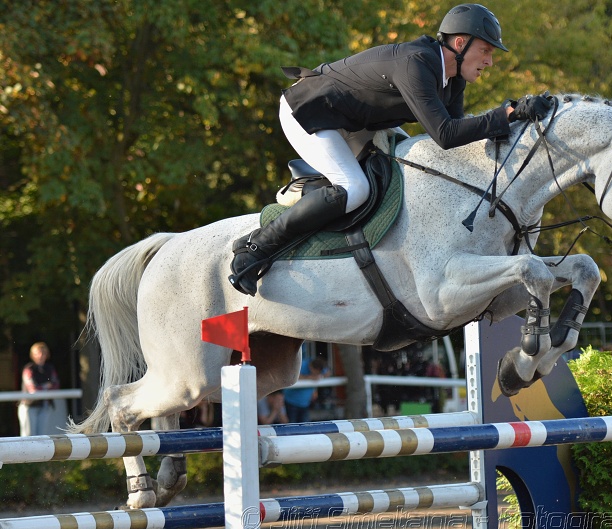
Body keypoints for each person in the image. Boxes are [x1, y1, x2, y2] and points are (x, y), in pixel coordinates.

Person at [229, 3, 554, 296]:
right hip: (310, 110)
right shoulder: (417, 63)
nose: (490, 61)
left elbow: (456, 142)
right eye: (485, 51)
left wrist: (514, 125)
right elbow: (445, 134)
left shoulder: (453, 79)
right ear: (460, 44)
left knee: (404, 158)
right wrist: (509, 113)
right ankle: (255, 248)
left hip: (357, 122)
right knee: (354, 188)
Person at [19, 341, 61, 436]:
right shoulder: (29, 369)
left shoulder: (50, 368)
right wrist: (46, 386)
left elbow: (56, 385)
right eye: (38, 353)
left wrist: (43, 387)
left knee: (42, 436)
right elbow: (33, 389)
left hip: (45, 405)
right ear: (33, 355)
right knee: (28, 436)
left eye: (44, 353)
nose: (41, 355)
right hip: (29, 406)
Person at [283, 357, 328, 423]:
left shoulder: (319, 367)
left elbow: (327, 372)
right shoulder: (301, 364)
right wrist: (310, 377)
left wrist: (321, 376)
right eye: (315, 372)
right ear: (311, 367)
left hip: (305, 403)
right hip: (291, 401)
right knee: (292, 425)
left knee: (305, 425)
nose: (316, 374)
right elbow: (292, 376)